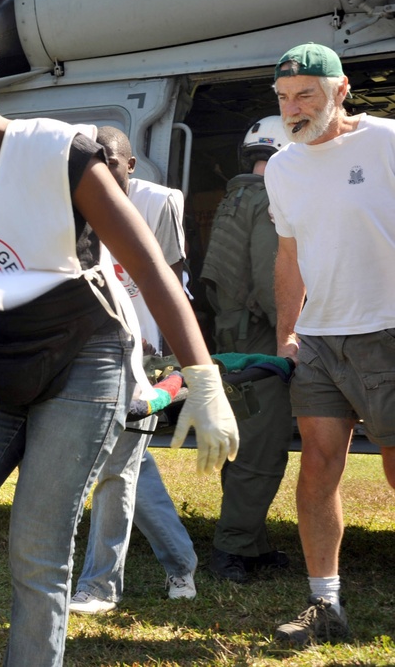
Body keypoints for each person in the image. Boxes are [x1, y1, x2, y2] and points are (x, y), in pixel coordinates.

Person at [0, 15, 238, 666]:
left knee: (36, 549)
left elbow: (154, 271)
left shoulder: (59, 152)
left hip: (86, 362)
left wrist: (204, 380)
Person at [266, 42, 395, 647]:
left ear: (341, 91)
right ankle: (326, 607)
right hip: (320, 338)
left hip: (388, 330)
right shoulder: (283, 166)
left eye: (306, 96)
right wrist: (286, 333)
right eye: (285, 98)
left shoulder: (386, 141)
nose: (293, 109)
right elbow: (289, 255)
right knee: (317, 467)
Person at [69, 127, 197, 614]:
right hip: (95, 349)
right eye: (94, 163)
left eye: (113, 163)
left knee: (117, 470)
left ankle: (101, 586)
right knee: (128, 468)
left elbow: (172, 280)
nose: (103, 171)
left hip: (143, 361)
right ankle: (181, 563)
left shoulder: (157, 203)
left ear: (132, 165)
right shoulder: (73, 200)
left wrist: (176, 358)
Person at [200, 116, 293, 583]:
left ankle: (252, 545)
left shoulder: (235, 196)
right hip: (260, 340)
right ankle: (232, 549)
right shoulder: (270, 200)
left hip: (233, 334)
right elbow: (271, 277)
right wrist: (289, 339)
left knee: (246, 444)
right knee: (263, 449)